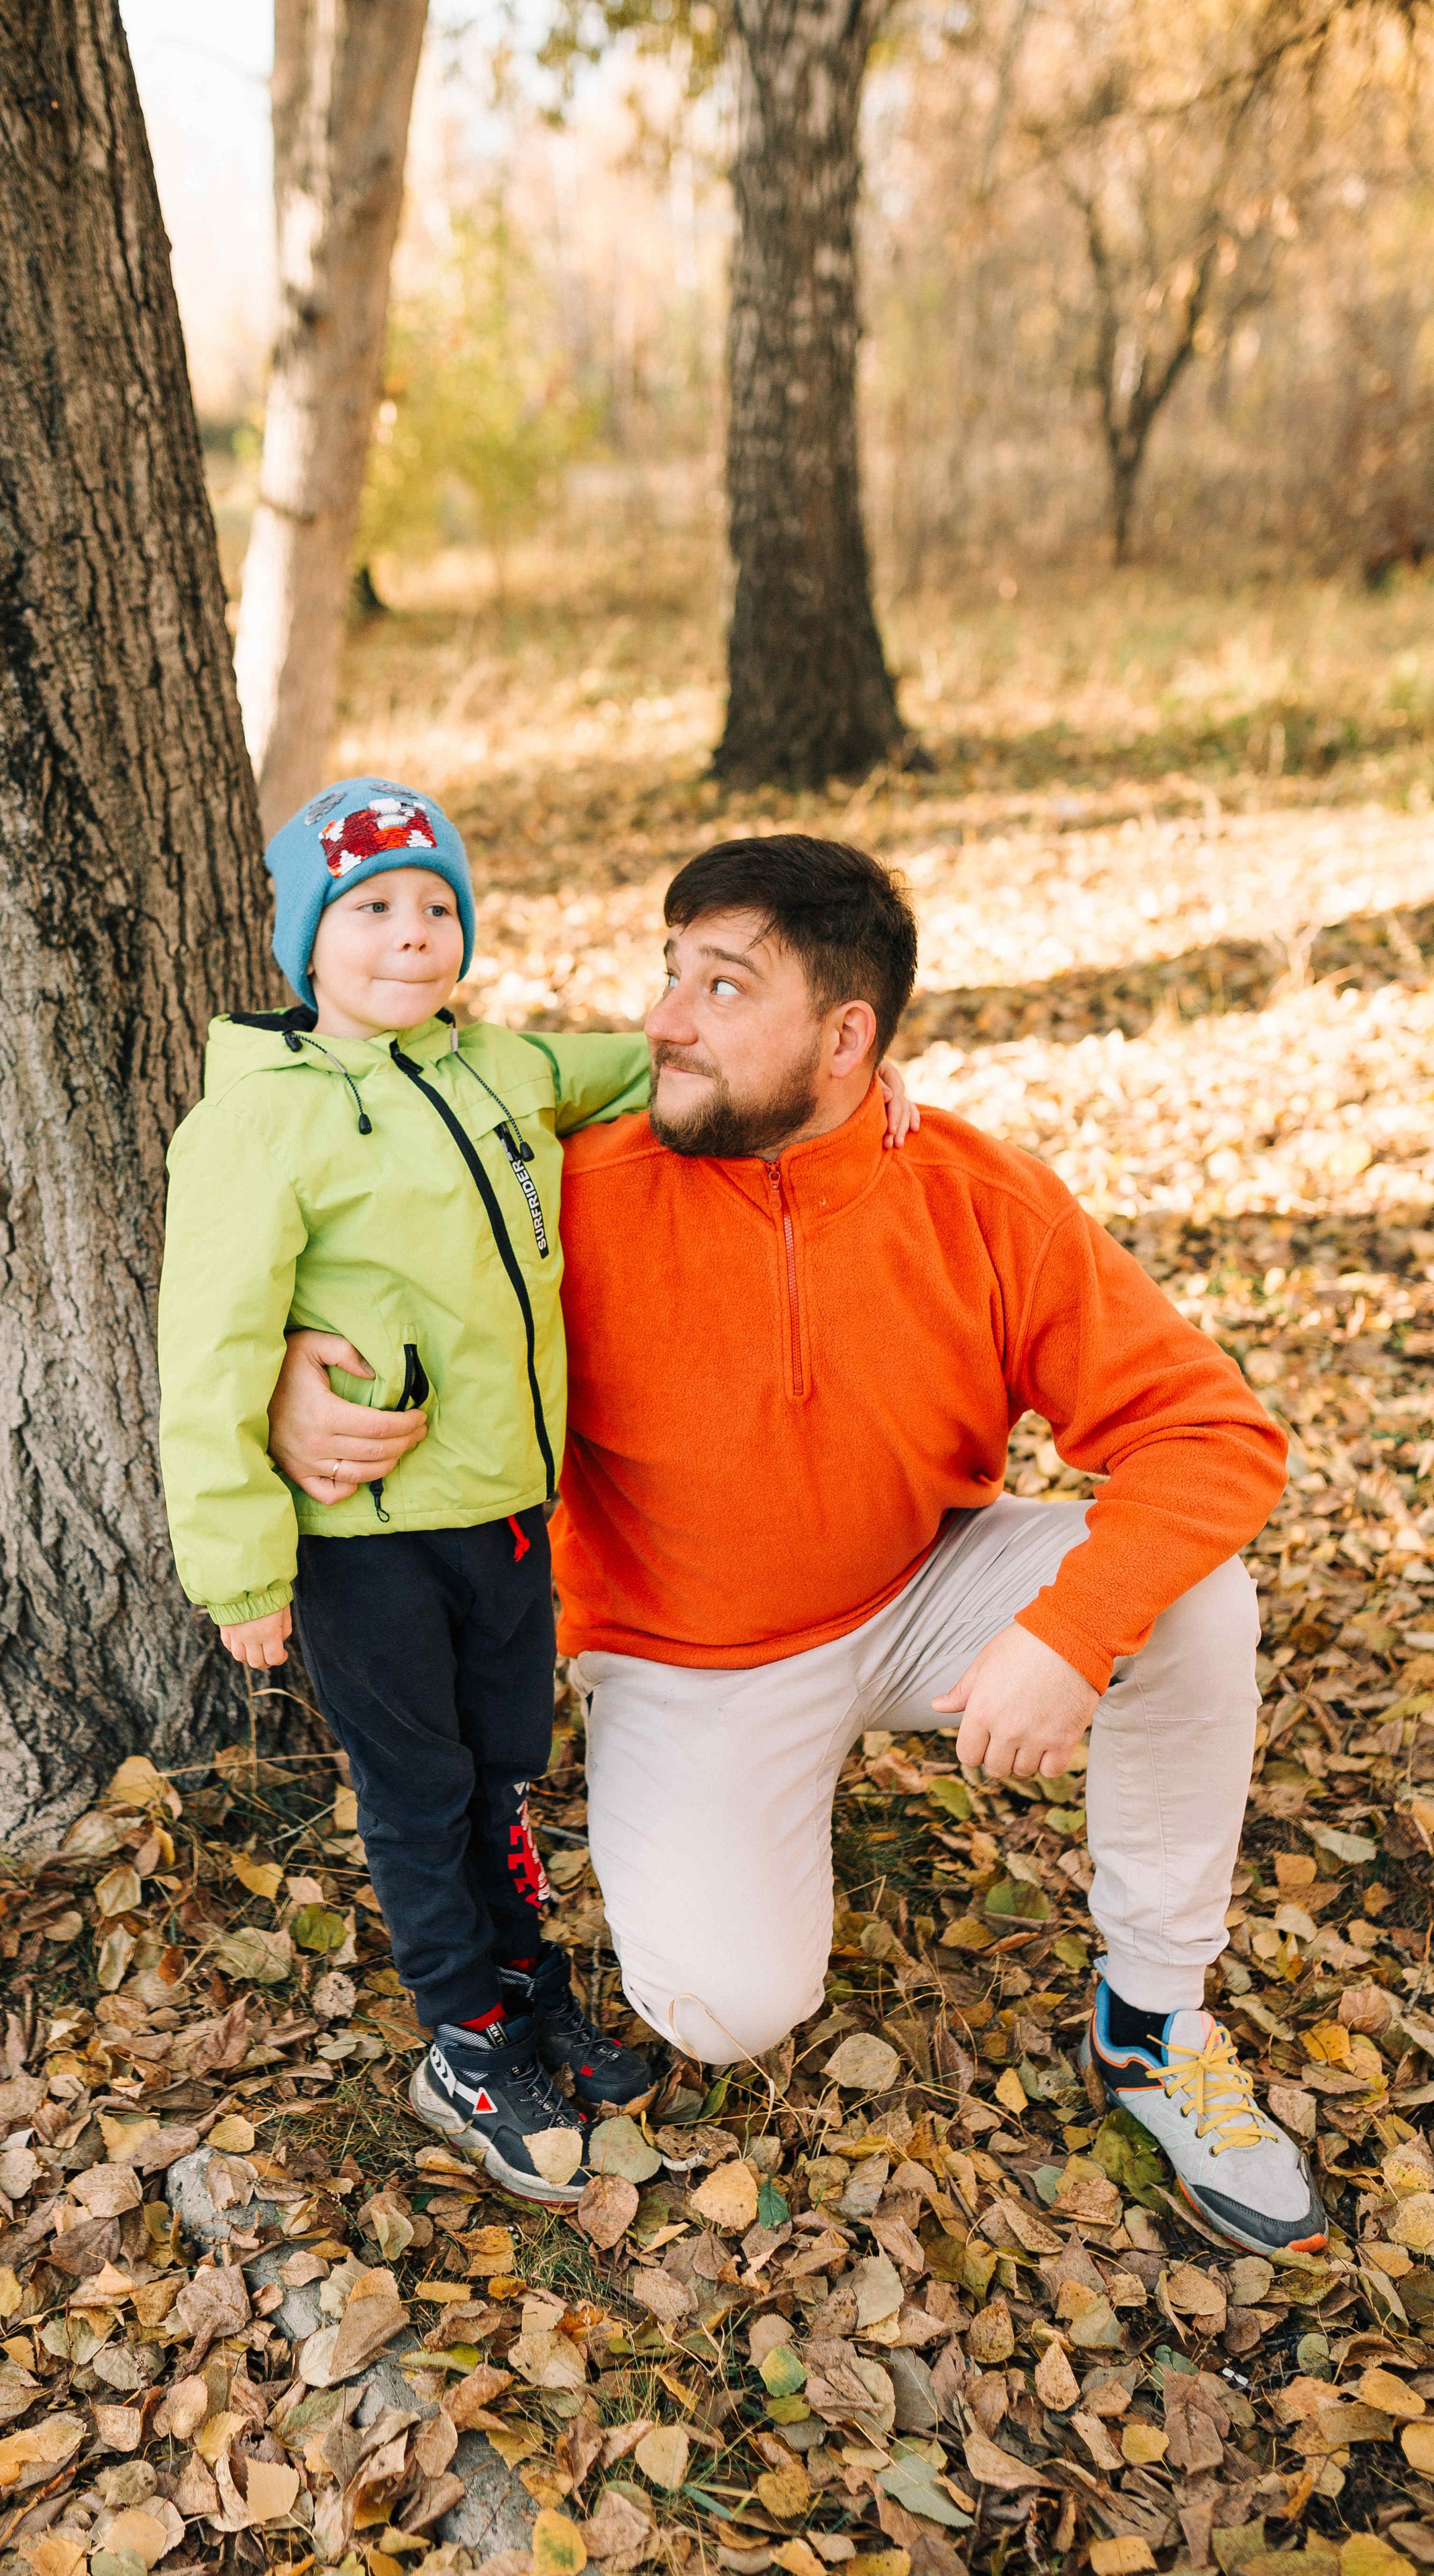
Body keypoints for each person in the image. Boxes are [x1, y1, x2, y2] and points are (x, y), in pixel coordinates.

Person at [269, 833, 1327, 2260]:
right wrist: (288, 1382)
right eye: (668, 973)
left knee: (1194, 1593)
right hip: (683, 1653)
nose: (658, 1020)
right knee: (724, 2007)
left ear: (847, 1037)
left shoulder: (970, 1193)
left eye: (720, 987)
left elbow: (1210, 1433)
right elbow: (343, 1239)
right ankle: (759, 1817)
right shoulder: (570, 1187)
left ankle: (1152, 2023)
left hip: (917, 1588)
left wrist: (1069, 1634)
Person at [157, 780, 915, 2204]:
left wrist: (853, 1085)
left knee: (502, 1766)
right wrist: (242, 1569)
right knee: (417, 1790)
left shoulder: (499, 1067)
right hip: (363, 1540)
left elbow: (651, 1071)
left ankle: (529, 1987)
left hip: (505, 1516)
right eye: (371, 908)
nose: (411, 933)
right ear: (306, 942)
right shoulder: (261, 1124)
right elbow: (206, 1352)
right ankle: (461, 2031)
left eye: (436, 906)